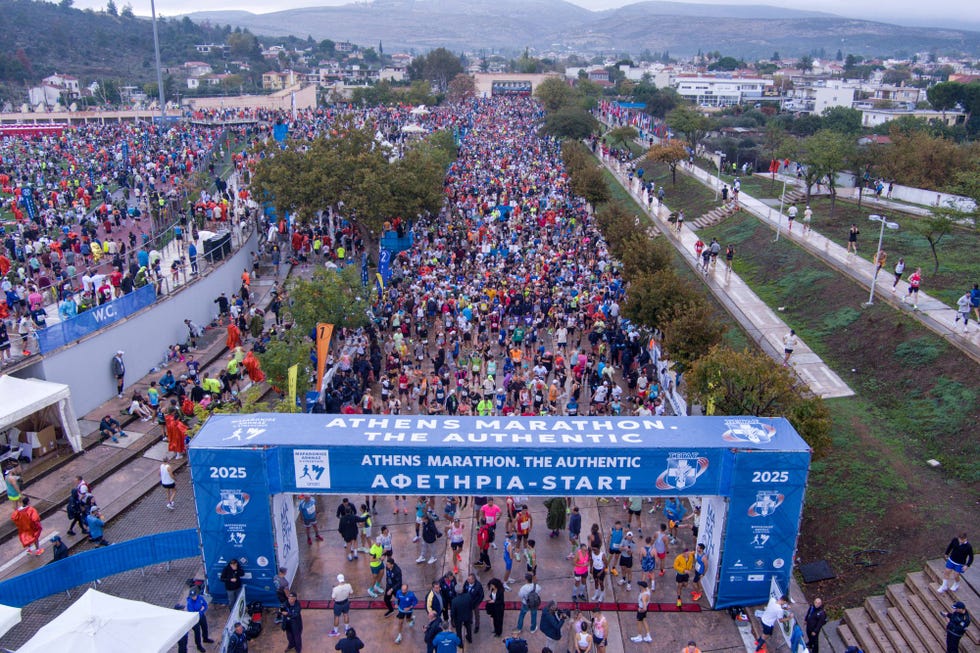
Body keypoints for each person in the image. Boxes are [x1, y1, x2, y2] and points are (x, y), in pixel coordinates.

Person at [187, 586, 214, 652]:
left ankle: (205, 638)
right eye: (192, 596)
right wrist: (200, 610)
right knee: (197, 633)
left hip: (201, 616)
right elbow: (193, 614)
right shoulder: (189, 603)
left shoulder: (200, 598)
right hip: (195, 620)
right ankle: (199, 646)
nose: (194, 597)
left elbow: (205, 605)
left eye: (194, 596)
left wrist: (200, 611)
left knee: (205, 627)